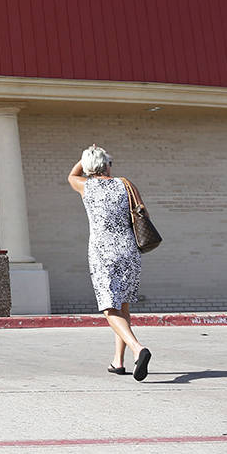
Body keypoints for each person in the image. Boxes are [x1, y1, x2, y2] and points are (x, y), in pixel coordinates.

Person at [68, 144, 152, 380]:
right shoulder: (125, 185)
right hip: (129, 250)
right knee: (122, 304)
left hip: (103, 252)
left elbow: (71, 175)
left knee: (109, 307)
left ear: (88, 167)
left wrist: (84, 156)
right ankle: (118, 361)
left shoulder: (85, 186)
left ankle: (138, 349)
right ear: (107, 165)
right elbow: (143, 212)